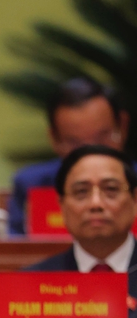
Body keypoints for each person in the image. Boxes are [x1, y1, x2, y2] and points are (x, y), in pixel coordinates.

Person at [25, 145, 137, 318]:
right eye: (81, 192)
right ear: (61, 205)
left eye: (110, 189)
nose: (96, 204)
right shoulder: (32, 284)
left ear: (135, 200)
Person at [8, 77, 130, 235]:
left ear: (123, 127)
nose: (90, 155)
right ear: (54, 139)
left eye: (102, 138)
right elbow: (15, 253)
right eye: (75, 144)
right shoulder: (31, 185)